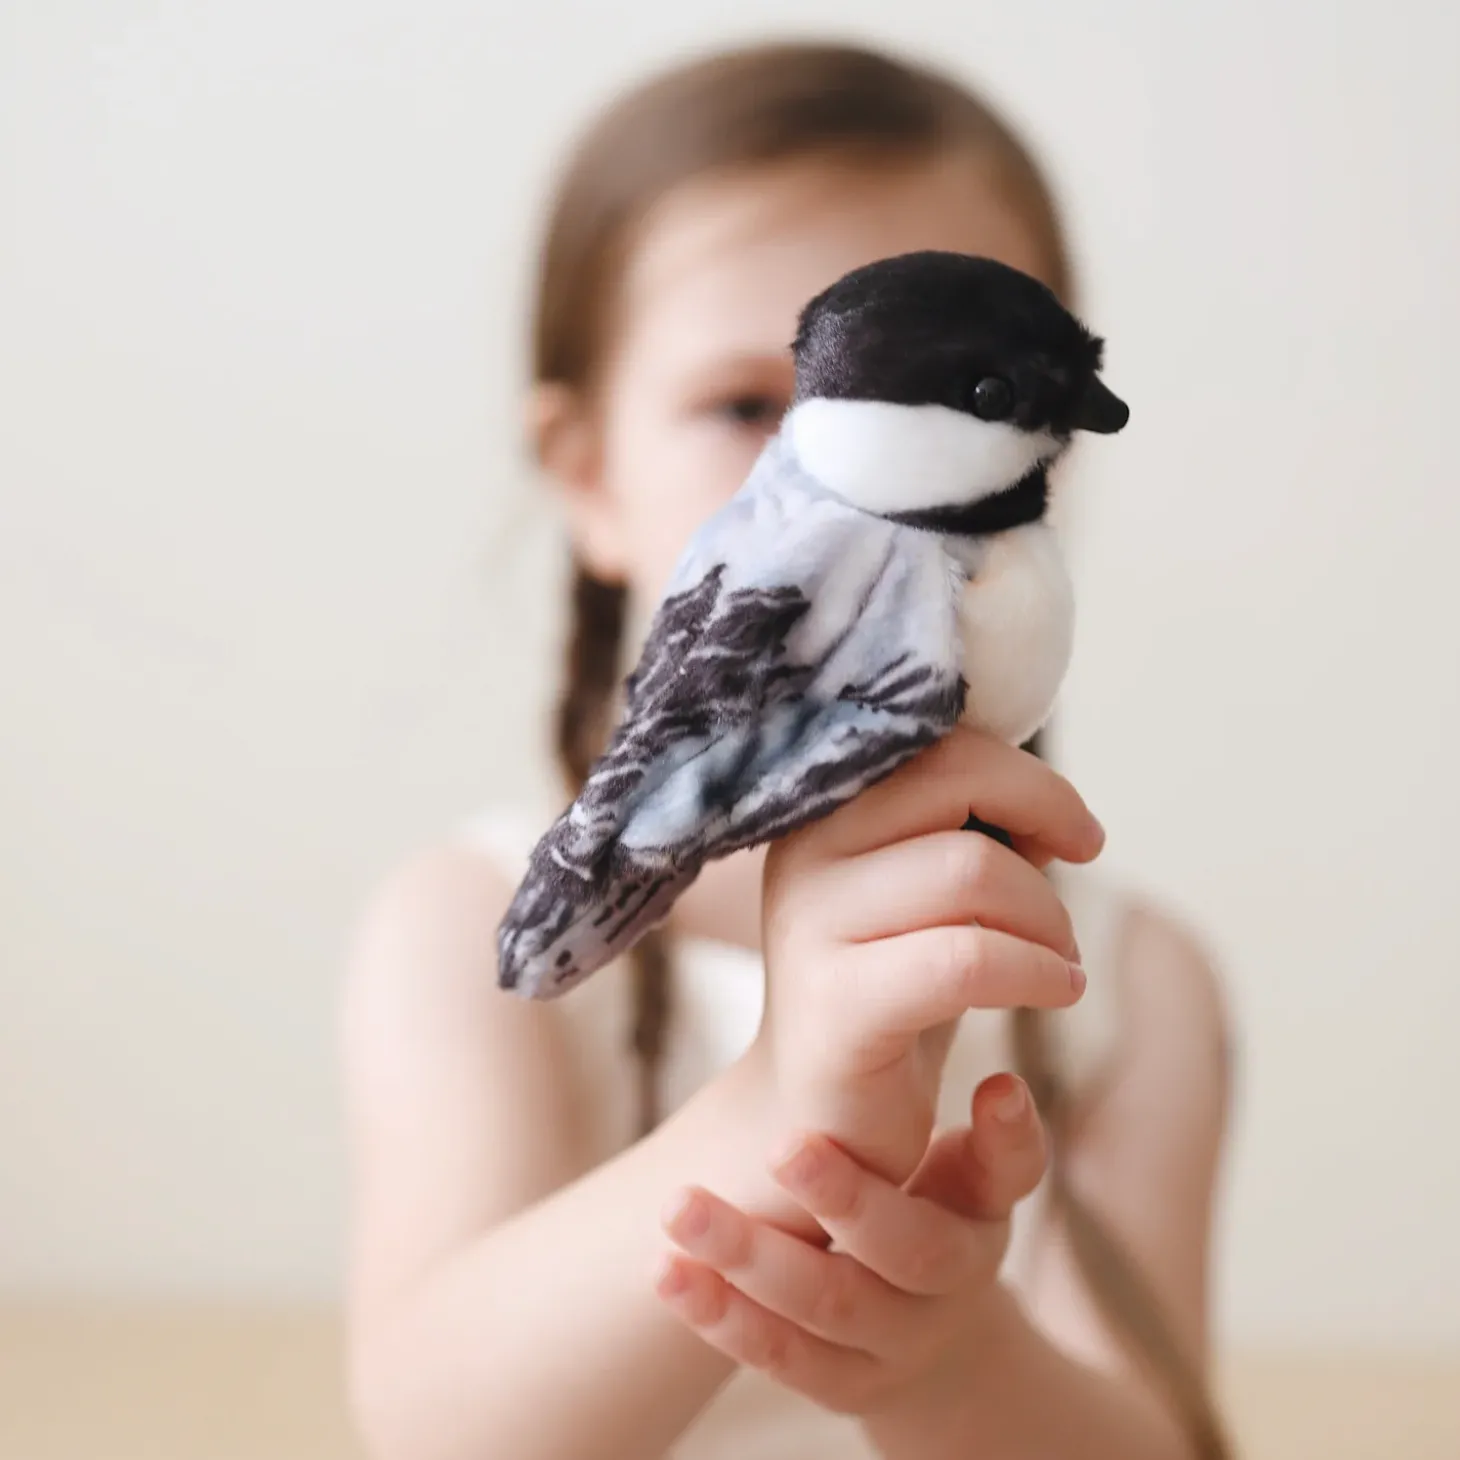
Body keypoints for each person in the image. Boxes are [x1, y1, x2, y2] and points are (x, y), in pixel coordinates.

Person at [341, 39, 1233, 1460]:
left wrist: (948, 1365)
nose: (847, 493)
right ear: (587, 472)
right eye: (750, 406)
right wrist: (767, 1111)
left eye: (972, 394)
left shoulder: (1122, 988)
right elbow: (433, 1431)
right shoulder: (462, 929)